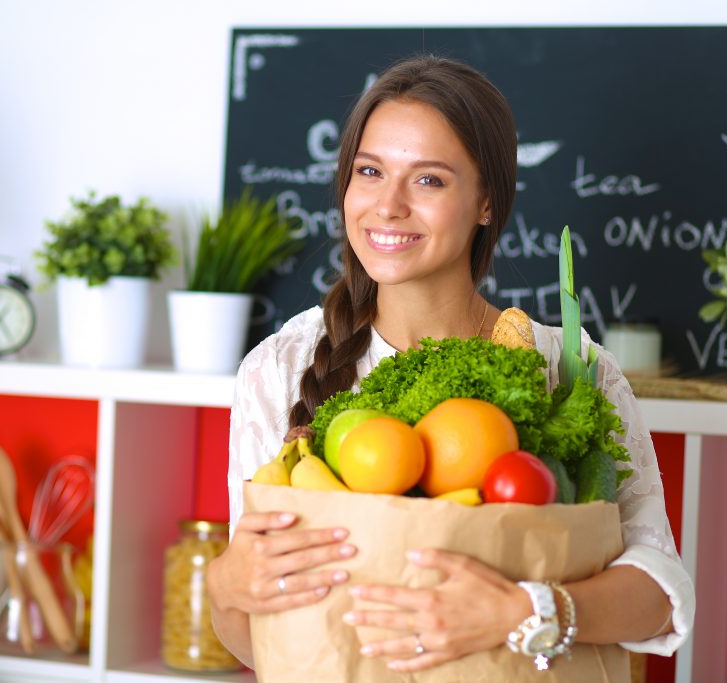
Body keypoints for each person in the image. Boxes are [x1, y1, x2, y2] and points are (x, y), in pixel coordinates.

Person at [207, 54, 694, 674]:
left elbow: (658, 595)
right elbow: (263, 642)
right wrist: (226, 585)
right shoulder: (280, 367)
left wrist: (526, 612)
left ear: (487, 203)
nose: (388, 206)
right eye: (370, 171)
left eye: (429, 180)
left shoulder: (568, 366)